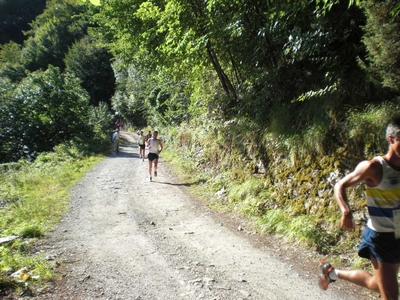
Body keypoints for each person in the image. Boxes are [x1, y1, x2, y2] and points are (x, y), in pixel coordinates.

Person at [319, 116, 400, 300]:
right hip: (381, 239)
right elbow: (340, 185)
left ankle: (332, 273)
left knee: (376, 285)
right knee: (392, 295)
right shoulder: (374, 167)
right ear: (391, 139)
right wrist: (346, 211)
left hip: (398, 236)